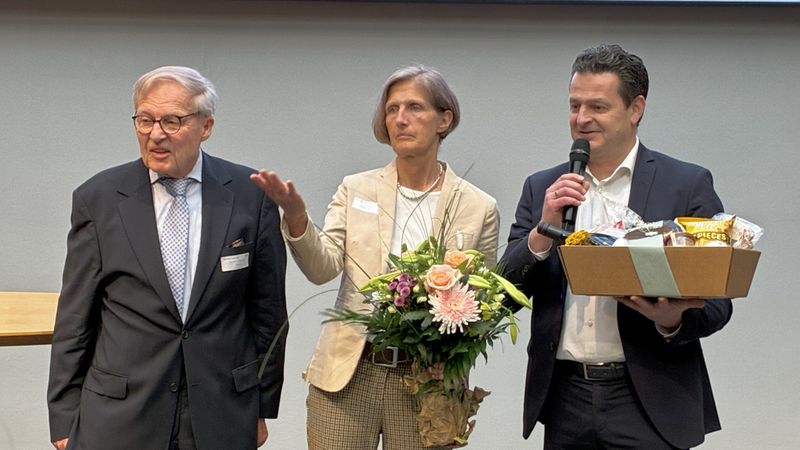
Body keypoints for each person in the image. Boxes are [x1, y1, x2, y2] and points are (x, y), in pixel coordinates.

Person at [250, 64, 499, 450]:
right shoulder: (356, 189)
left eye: (414, 107)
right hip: (349, 373)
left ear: (444, 119)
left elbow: (482, 305)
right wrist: (296, 216)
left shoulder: (478, 206)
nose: (400, 118)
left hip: (428, 381)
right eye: (392, 109)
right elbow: (322, 269)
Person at [500, 44, 731, 449]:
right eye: (574, 106)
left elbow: (718, 301)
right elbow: (503, 295)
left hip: (649, 396)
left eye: (598, 107)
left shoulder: (685, 184)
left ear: (635, 109)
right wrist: (542, 231)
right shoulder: (543, 188)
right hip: (564, 397)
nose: (582, 119)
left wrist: (672, 319)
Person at [47, 66, 288, 450]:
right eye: (145, 120)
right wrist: (62, 416)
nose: (155, 134)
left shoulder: (251, 195)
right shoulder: (98, 198)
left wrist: (261, 405)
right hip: (121, 412)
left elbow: (268, 313)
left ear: (206, 126)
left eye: (172, 121)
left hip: (221, 409)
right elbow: (75, 316)